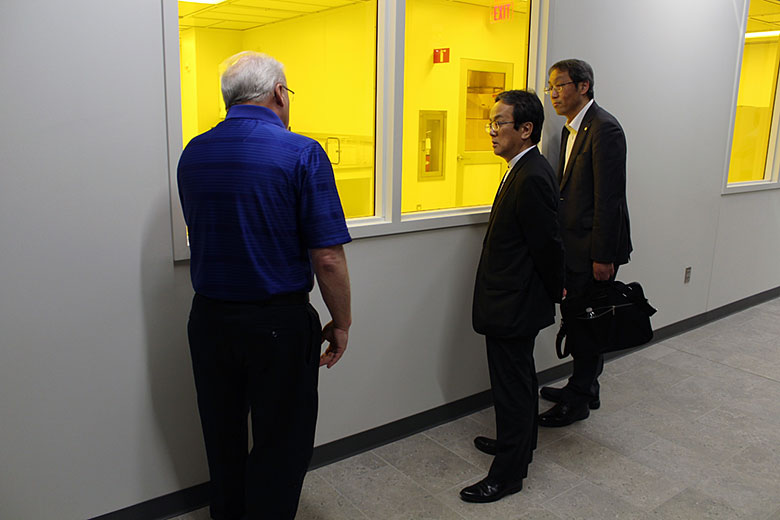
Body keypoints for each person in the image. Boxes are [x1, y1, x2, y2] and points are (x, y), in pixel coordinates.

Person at [177, 51, 352, 520]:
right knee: (283, 440)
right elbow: (328, 256)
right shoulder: (301, 152)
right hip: (277, 322)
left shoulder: (194, 151)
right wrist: (343, 322)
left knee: (222, 435)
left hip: (209, 320)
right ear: (279, 92)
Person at [464, 90, 565, 503]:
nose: (492, 131)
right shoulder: (519, 168)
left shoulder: (534, 175)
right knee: (516, 380)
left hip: (515, 302)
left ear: (526, 129)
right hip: (510, 298)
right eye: (491, 122)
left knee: (513, 384)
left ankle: (507, 473)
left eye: (499, 123)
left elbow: (548, 246)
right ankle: (518, 443)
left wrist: (554, 291)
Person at [538, 58, 632, 428]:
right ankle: (584, 386)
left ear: (584, 86)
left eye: (559, 85)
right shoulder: (569, 131)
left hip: (594, 250)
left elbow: (610, 199)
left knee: (586, 324)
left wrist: (603, 256)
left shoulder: (605, 129)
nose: (554, 94)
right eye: (551, 87)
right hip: (573, 246)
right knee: (578, 321)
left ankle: (577, 400)